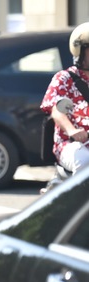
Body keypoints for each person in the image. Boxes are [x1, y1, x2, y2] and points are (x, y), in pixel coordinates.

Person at [41, 22, 89, 175]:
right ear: (80, 51)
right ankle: (81, 198)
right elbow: (56, 109)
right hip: (71, 144)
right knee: (83, 160)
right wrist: (72, 130)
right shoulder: (64, 78)